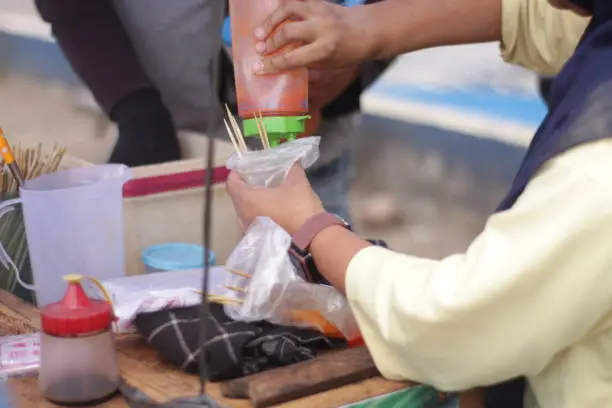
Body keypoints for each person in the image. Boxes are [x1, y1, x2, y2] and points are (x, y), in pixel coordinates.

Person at [226, 0, 612, 407]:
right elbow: (537, 17)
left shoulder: (596, 169)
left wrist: (310, 227)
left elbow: (460, 327)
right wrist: (364, 27)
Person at [34, 0, 391, 221]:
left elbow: (418, 13)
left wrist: (359, 58)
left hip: (308, 150)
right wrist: (135, 108)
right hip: (172, 148)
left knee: (313, 305)